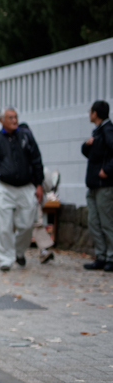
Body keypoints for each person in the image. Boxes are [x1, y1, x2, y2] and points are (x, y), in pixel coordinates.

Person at [0, 108, 44, 272]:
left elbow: (36, 159)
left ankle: (19, 252)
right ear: (1, 120)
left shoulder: (26, 137)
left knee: (27, 224)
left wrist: (39, 184)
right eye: (10, 118)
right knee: (4, 225)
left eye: (15, 117)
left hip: (26, 186)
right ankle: (5, 258)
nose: (14, 120)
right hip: (4, 187)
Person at [82, 100, 113, 272]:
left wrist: (107, 170)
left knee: (106, 222)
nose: (89, 114)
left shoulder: (108, 130)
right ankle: (101, 256)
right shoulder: (99, 131)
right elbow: (92, 153)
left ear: (95, 113)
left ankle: (111, 256)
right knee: (94, 221)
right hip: (94, 184)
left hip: (104, 185)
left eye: (90, 111)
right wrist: (88, 144)